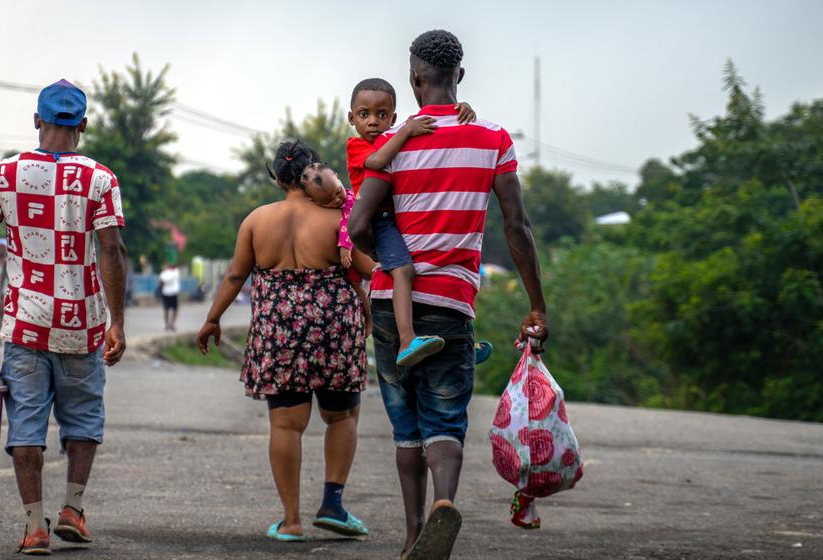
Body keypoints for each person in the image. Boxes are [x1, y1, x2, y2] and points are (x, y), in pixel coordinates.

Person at [347, 30, 549, 559]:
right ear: (459, 75)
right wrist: (537, 304)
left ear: (415, 79)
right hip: (453, 302)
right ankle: (444, 504)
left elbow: (360, 221)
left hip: (393, 302)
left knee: (405, 422)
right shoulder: (494, 139)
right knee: (445, 415)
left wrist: (383, 263)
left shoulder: (393, 142)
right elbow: (517, 226)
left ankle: (413, 536)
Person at [0, 79, 129, 556]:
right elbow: (112, 250)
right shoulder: (100, 178)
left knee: (26, 427)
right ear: (84, 126)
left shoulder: (4, 172)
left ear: (37, 120)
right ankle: (73, 509)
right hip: (82, 324)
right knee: (84, 419)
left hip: (26, 324)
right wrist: (117, 321)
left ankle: (34, 526)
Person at [197, 142, 377, 543]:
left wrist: (212, 319)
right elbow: (369, 269)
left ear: (277, 178)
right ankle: (332, 503)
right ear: (311, 173)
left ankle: (291, 520)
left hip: (278, 328)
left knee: (285, 424)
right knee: (342, 417)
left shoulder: (257, 220)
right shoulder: (335, 222)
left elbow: (233, 277)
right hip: (334, 326)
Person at [343, 78, 493, 366]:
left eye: (382, 115)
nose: (373, 122)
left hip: (402, 215)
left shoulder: (397, 137)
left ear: (394, 117)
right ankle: (407, 339)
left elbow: (430, 124)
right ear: (352, 118)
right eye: (364, 115)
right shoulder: (358, 146)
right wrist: (408, 131)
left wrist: (459, 111)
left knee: (442, 262)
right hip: (382, 221)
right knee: (404, 271)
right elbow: (376, 162)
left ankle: (461, 344)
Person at [158, 262, 181, 332]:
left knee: (167, 309)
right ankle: (170, 324)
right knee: (173, 309)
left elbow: (161, 283)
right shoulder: (174, 272)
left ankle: (168, 324)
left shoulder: (164, 274)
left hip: (168, 293)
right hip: (171, 293)